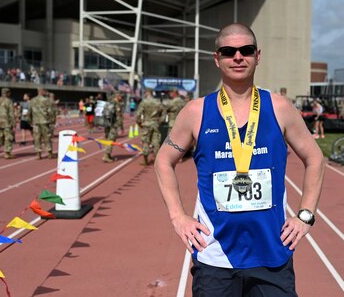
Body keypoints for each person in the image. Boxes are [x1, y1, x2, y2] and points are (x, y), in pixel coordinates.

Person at [154, 23, 325, 296]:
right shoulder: (196, 111)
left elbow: (315, 157)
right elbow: (163, 160)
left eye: (245, 50)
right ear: (216, 58)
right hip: (214, 256)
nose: (237, 57)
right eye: (228, 51)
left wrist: (305, 216)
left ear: (258, 56)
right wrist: (178, 217)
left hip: (272, 255)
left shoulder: (280, 107)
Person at [136, 89, 166, 165]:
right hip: (155, 123)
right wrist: (160, 122)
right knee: (156, 142)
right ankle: (157, 160)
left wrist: (139, 123)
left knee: (145, 141)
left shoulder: (144, 102)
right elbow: (163, 113)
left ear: (147, 92)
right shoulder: (158, 102)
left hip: (146, 123)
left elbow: (138, 114)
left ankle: (145, 159)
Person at [27, 87, 57, 159]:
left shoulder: (32, 100)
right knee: (47, 137)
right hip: (45, 122)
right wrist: (53, 121)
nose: (47, 92)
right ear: (41, 91)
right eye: (45, 91)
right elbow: (51, 112)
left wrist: (30, 121)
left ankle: (38, 154)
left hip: (36, 122)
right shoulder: (48, 101)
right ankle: (49, 152)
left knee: (37, 138)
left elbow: (29, 112)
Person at [0, 88, 15, 159]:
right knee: (8, 137)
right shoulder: (9, 101)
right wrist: (13, 122)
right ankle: (7, 153)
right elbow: (11, 113)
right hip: (7, 122)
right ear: (7, 93)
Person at [102, 93, 119, 163]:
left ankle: (108, 155)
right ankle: (106, 156)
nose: (121, 97)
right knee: (111, 140)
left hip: (107, 124)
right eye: (120, 96)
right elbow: (117, 114)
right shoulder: (115, 104)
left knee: (108, 139)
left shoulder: (108, 103)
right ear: (117, 96)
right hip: (112, 125)